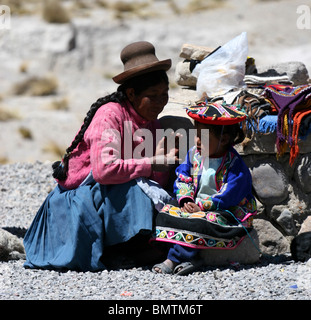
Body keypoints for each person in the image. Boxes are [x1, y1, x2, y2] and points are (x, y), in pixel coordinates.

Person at [23, 41, 178, 272]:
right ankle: (117, 249)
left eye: (164, 95)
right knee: (136, 188)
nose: (160, 103)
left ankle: (131, 246)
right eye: (153, 96)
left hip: (107, 194)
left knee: (148, 186)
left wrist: (160, 167)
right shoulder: (109, 116)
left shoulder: (150, 123)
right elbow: (105, 171)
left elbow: (150, 175)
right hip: (79, 201)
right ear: (132, 94)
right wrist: (151, 163)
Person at [152, 101, 258, 275]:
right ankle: (188, 256)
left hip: (225, 212)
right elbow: (183, 177)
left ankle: (175, 258)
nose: (197, 141)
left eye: (203, 136)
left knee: (199, 222)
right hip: (194, 206)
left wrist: (201, 206)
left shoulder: (235, 165)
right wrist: (185, 199)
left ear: (223, 139)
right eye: (197, 135)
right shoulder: (194, 154)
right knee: (164, 213)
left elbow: (228, 196)